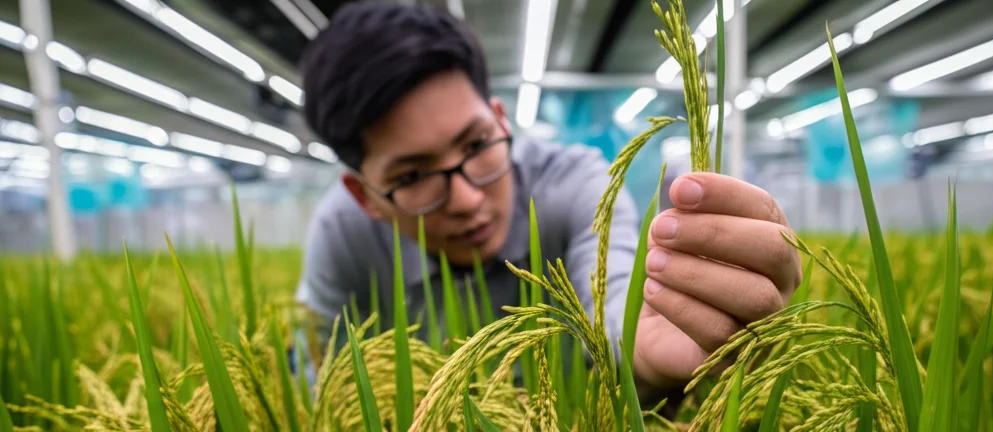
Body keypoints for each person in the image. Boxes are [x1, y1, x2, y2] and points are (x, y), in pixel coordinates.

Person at [296, 2, 802, 393]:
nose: (468, 199)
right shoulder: (342, 232)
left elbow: (613, 294)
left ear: (500, 119)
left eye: (476, 145)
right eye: (412, 177)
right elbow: (321, 372)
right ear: (366, 197)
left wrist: (644, 343)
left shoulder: (576, 184)